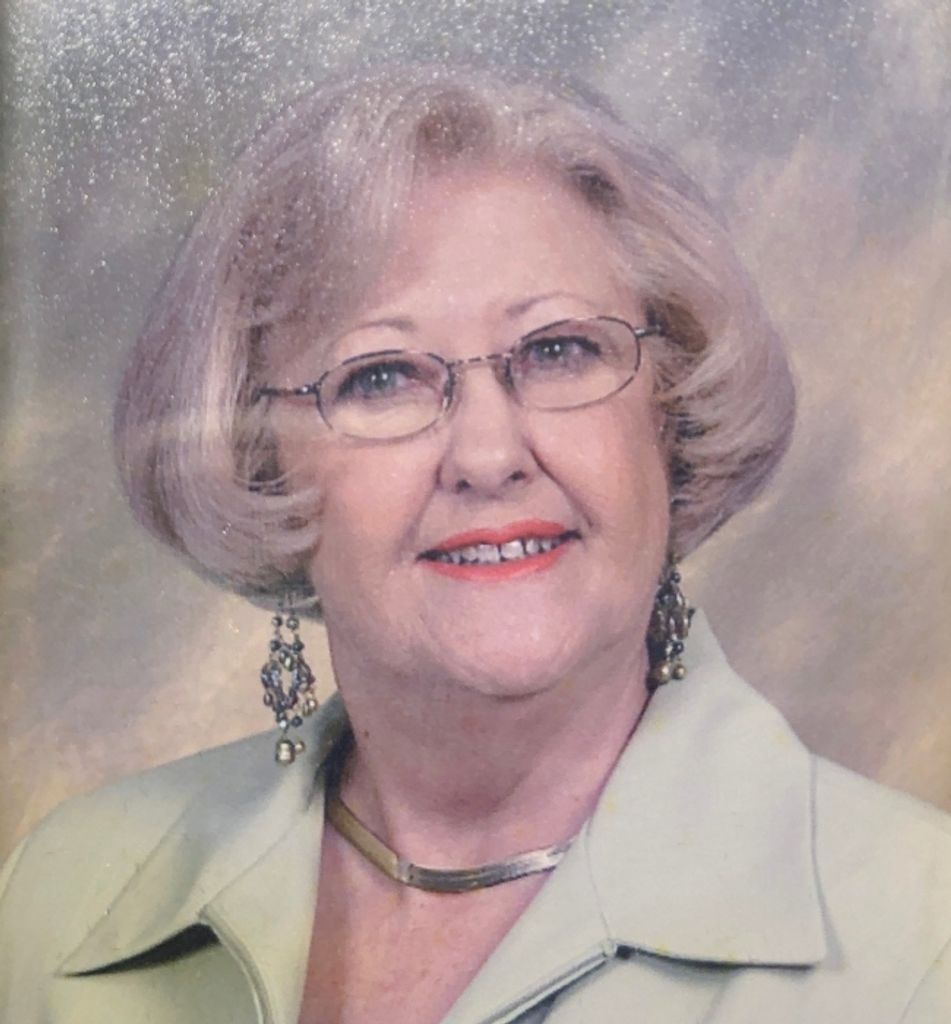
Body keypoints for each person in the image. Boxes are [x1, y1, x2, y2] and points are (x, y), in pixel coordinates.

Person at [1, 64, 948, 1024]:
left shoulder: (919, 938)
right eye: (381, 378)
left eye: (558, 350)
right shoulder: (64, 898)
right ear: (259, 459)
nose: (489, 456)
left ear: (670, 411)